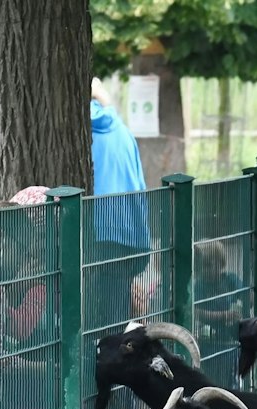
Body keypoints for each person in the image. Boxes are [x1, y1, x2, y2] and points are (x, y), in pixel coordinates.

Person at [90, 78, 151, 330]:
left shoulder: (80, 132)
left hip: (96, 232)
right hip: (131, 235)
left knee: (95, 321)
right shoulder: (123, 132)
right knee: (114, 319)